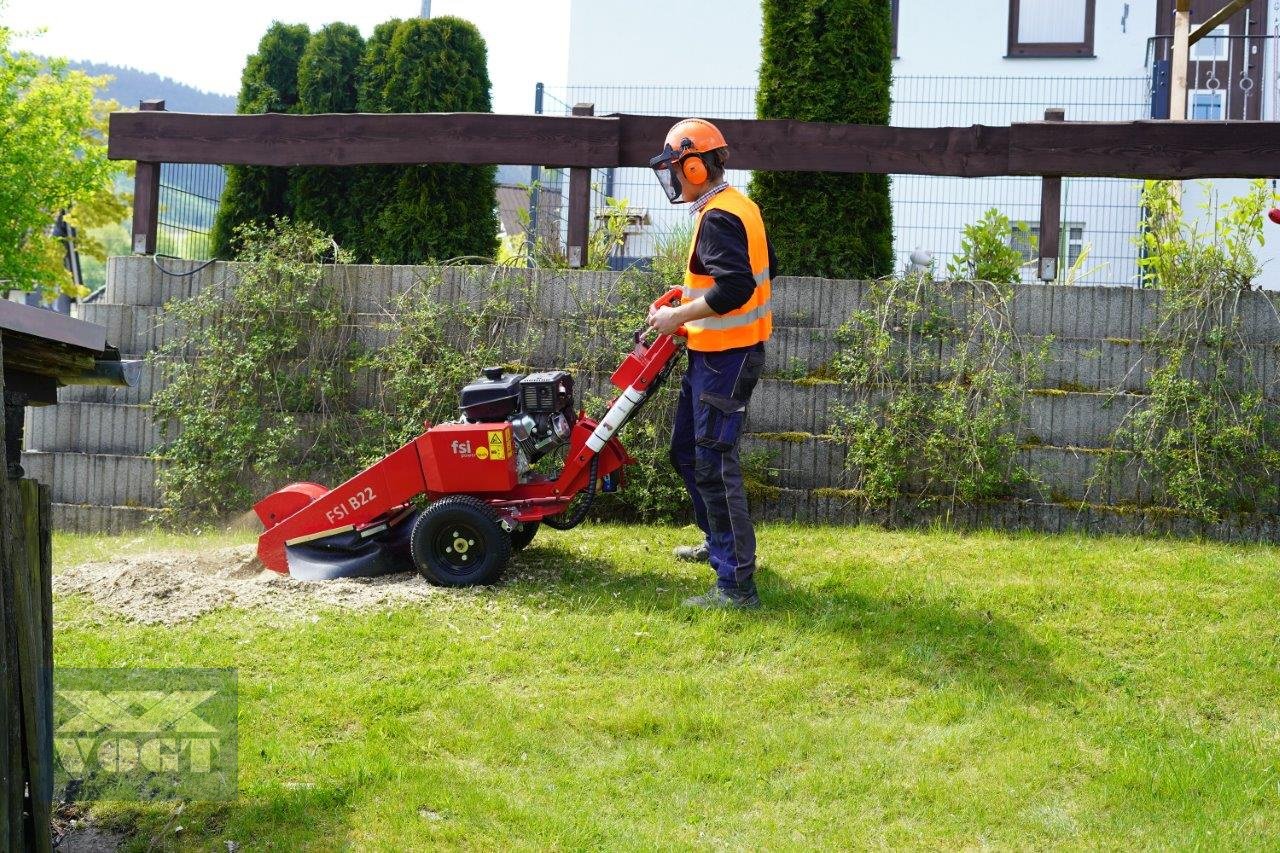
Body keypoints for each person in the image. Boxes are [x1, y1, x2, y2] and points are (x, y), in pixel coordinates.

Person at [646, 118, 776, 610]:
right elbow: (736, 277)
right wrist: (686, 302)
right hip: (713, 353)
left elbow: (736, 288)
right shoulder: (735, 206)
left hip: (729, 358)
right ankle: (718, 544)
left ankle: (736, 585)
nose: (673, 179)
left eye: (675, 169)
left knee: (715, 465)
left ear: (695, 166)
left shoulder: (720, 216)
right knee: (686, 451)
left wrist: (677, 315)